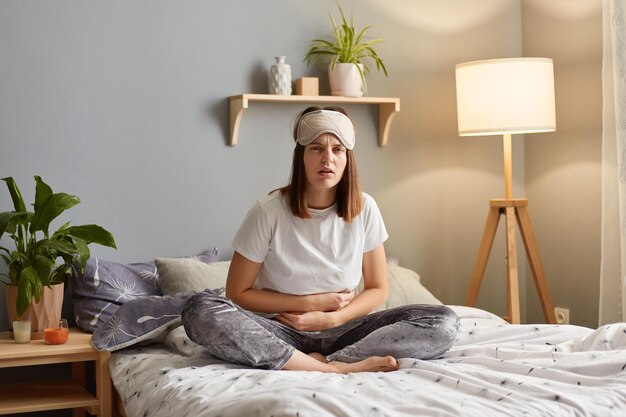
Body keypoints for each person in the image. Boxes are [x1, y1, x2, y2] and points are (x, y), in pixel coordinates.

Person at [182, 106, 460, 373]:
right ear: (301, 156)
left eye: (337, 149)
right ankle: (328, 368)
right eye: (316, 148)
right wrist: (310, 304)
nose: (327, 159)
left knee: (444, 322)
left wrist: (333, 317)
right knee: (199, 310)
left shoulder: (365, 208)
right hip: (280, 329)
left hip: (347, 331)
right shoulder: (267, 211)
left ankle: (330, 361)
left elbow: (377, 288)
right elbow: (237, 292)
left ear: (347, 158)